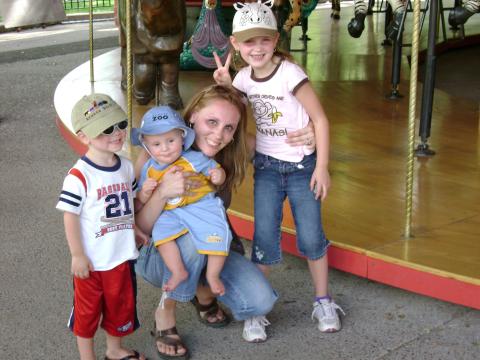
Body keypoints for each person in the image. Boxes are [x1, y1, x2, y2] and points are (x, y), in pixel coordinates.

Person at [213, 0, 345, 333]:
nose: (257, 48)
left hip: (302, 166)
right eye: (248, 41)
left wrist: (322, 166)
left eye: (264, 40)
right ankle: (257, 308)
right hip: (268, 167)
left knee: (312, 237)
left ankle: (322, 300)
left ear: (275, 40)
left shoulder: (290, 73)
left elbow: (321, 118)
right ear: (235, 44)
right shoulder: (243, 79)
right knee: (265, 237)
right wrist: (226, 85)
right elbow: (238, 110)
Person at [56, 94, 146, 360]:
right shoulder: (79, 176)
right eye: (106, 129)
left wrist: (134, 229)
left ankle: (114, 349)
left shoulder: (126, 167)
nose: (117, 133)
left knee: (120, 308)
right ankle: (88, 357)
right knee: (87, 313)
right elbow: (70, 216)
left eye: (120, 124)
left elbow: (125, 205)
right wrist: (77, 255)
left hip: (121, 256)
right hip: (93, 262)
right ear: (84, 136)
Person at [132, 105, 232, 296]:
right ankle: (178, 271)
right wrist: (145, 192)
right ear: (146, 146)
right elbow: (140, 201)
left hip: (199, 206)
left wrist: (218, 175)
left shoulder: (192, 158)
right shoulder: (149, 169)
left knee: (216, 231)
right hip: (171, 213)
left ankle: (213, 275)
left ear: (182, 137)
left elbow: (215, 169)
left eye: (171, 140)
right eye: (157, 144)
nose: (165, 148)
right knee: (161, 235)